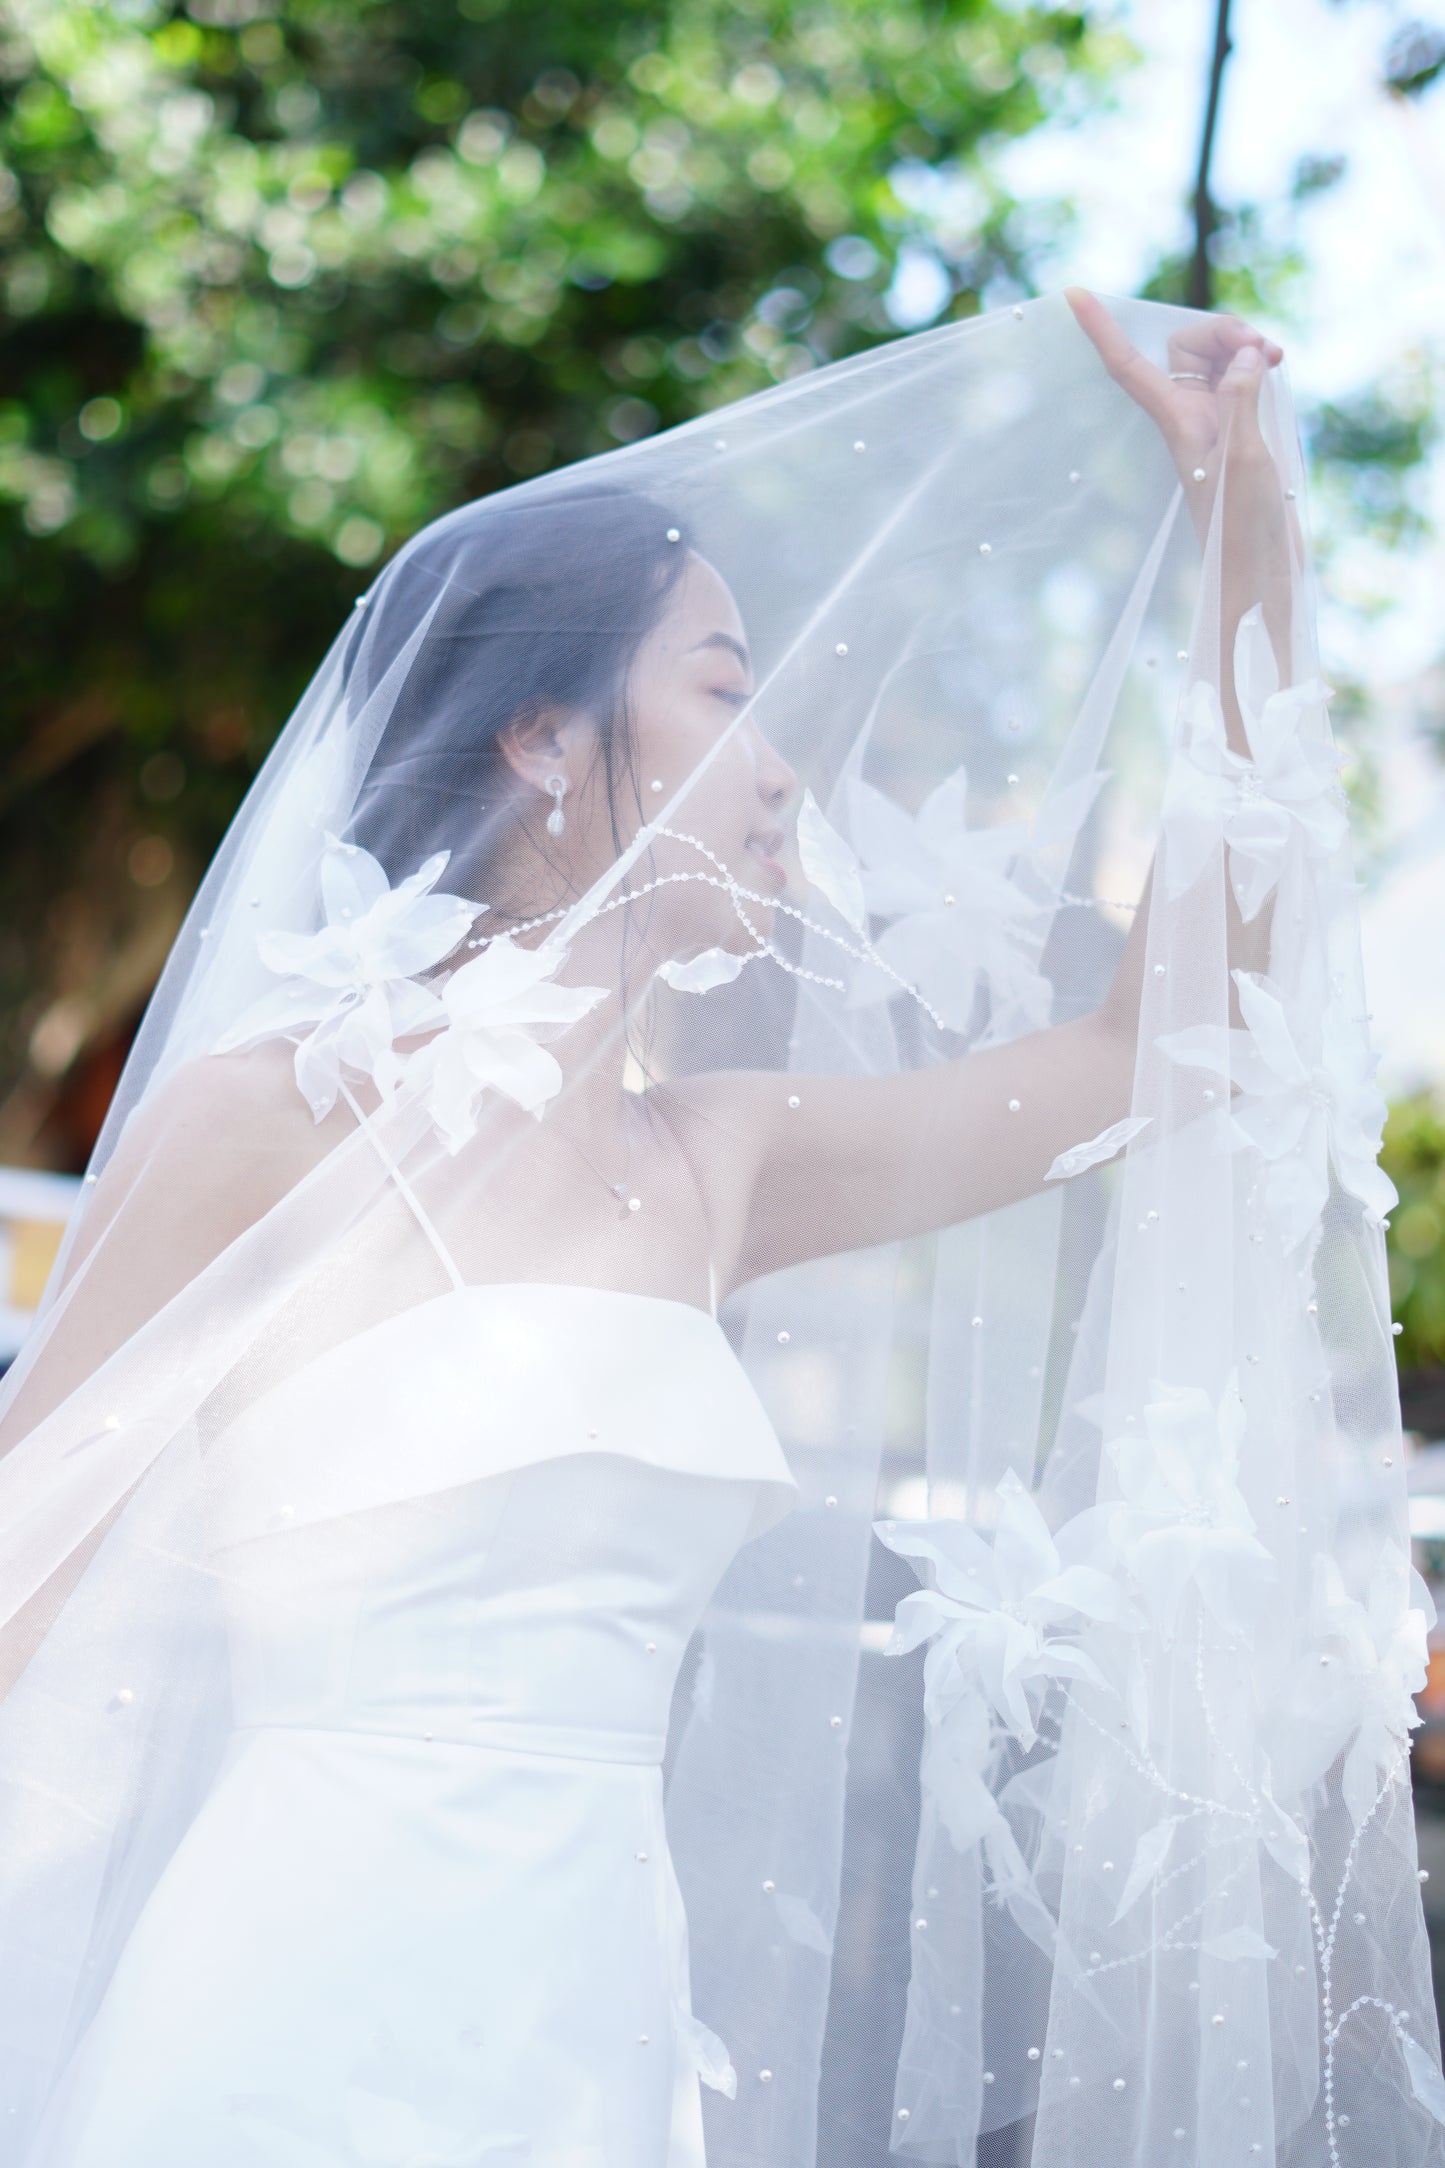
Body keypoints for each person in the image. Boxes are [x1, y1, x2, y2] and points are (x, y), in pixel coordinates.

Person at [0, 289, 1438, 2168]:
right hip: (291, 1993)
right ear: (539, 736)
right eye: (724, 686)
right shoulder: (275, 1115)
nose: (781, 766)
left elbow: (1150, 1045)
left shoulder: (721, 1159)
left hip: (592, 2005)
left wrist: (1241, 519)